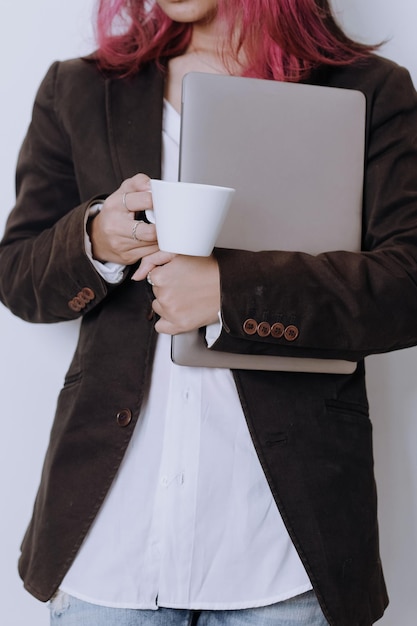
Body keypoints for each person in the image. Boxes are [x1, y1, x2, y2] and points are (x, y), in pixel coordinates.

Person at [1, 0, 417, 624]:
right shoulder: (81, 87)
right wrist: (96, 239)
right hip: (109, 546)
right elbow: (18, 275)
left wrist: (232, 290)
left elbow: (407, 283)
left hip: (283, 546)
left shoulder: (367, 90)